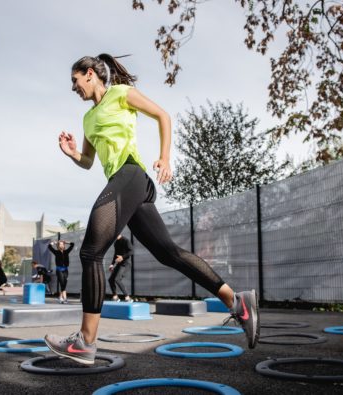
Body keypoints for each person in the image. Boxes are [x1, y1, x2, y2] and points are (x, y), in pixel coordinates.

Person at [44, 54, 259, 365]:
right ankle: (237, 301)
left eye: (75, 80)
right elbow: (89, 161)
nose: (73, 87)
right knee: (168, 253)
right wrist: (72, 152)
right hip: (127, 186)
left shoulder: (120, 94)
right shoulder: (88, 119)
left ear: (89, 74)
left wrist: (165, 157)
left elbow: (162, 116)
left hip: (131, 175)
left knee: (91, 252)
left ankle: (85, 342)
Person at [108, 234, 133, 302]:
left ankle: (127, 297)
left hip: (126, 264)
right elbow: (115, 254)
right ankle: (115, 297)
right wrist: (112, 264)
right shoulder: (116, 243)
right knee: (110, 280)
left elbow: (131, 251)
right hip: (119, 264)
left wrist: (122, 257)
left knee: (117, 279)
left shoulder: (125, 240)